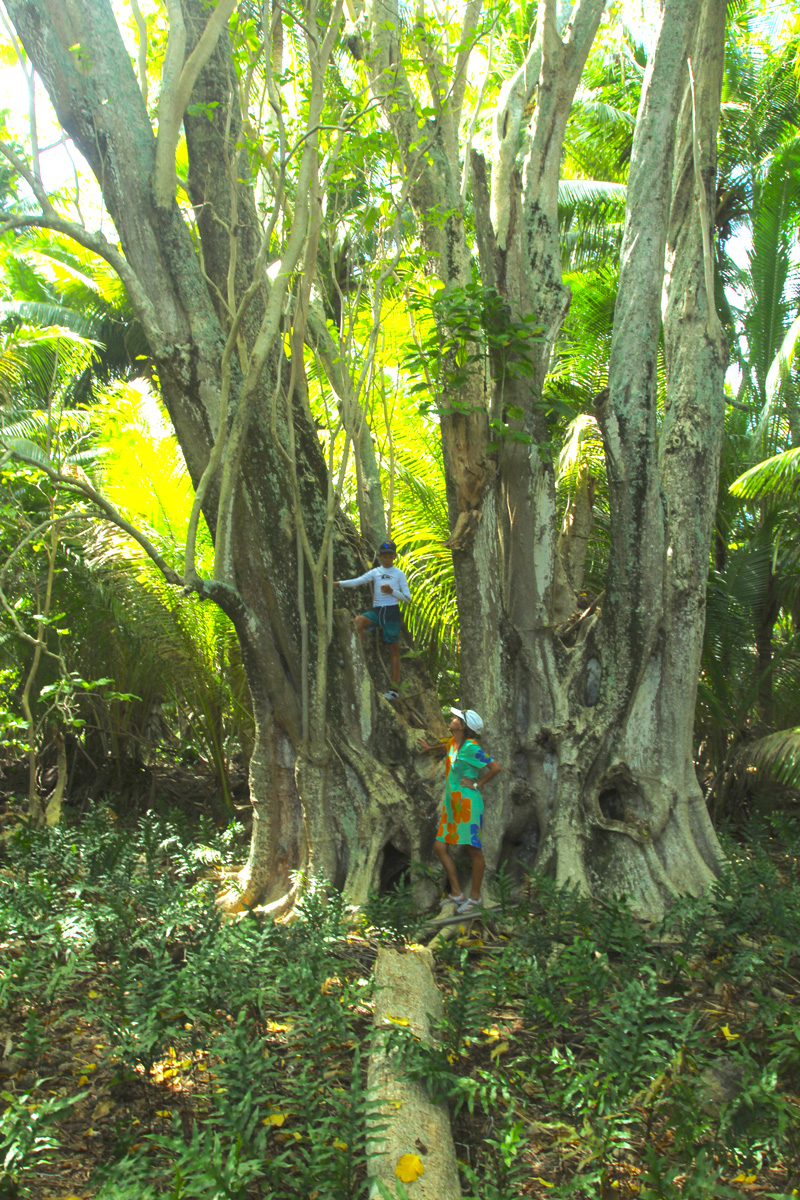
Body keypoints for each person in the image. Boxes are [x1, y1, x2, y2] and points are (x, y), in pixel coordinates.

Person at [419, 707, 502, 914]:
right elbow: (446, 749)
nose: (453, 719)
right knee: (440, 847)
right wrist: (429, 748)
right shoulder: (453, 744)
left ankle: (475, 897)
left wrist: (478, 784)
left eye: (457, 718)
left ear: (464, 726)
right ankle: (457, 892)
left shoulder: (472, 748)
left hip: (468, 805)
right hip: (452, 805)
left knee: (473, 849)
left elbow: (496, 767)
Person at [331, 540, 411, 701]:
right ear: (380, 556)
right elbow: (357, 581)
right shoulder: (375, 572)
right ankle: (355, 660)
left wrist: (392, 591)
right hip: (377, 611)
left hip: (392, 613)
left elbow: (407, 598)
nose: (387, 559)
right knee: (358, 621)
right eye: (384, 556)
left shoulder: (399, 574)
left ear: (394, 557)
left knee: (393, 649)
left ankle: (394, 689)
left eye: (390, 556)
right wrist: (338, 584)